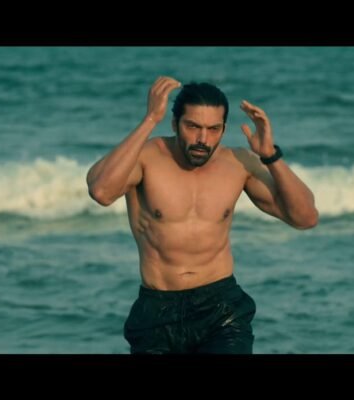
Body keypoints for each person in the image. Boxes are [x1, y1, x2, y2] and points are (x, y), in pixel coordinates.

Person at [86, 76, 318, 354]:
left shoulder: (238, 163)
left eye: (213, 129)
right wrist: (150, 119)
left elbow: (305, 217)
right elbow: (101, 191)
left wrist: (270, 156)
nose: (202, 139)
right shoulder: (147, 157)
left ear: (223, 130)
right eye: (193, 126)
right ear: (175, 124)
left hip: (221, 310)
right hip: (157, 311)